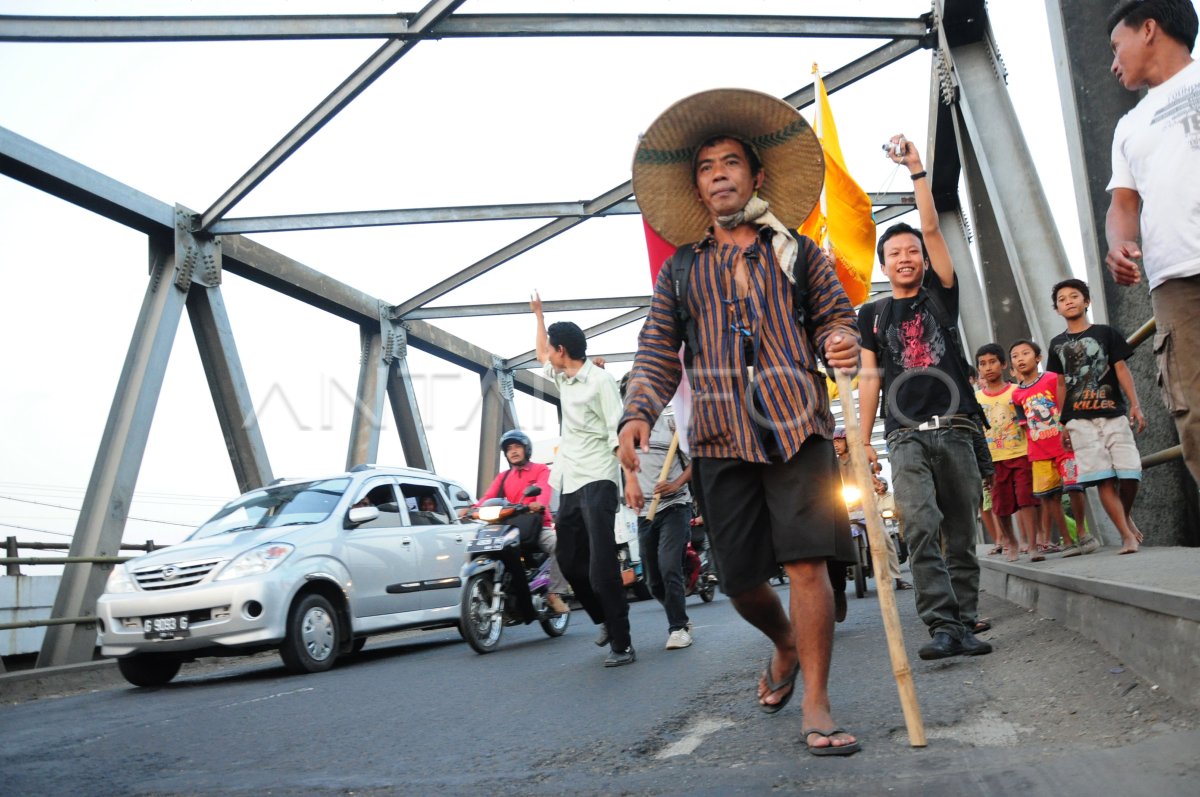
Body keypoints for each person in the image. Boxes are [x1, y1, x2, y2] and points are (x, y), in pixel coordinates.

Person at [620, 88, 861, 756]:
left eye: (731, 161)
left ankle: (816, 700)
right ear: (698, 187)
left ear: (756, 177)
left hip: (797, 427)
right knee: (739, 579)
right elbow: (656, 348)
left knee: (808, 564)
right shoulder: (681, 271)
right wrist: (638, 410)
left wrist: (841, 338)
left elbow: (837, 317)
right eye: (707, 166)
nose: (720, 172)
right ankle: (784, 641)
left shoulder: (800, 253)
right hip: (720, 436)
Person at [856, 134, 993, 662]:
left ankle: (964, 621)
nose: (907, 257)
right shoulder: (870, 316)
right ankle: (939, 624)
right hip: (905, 435)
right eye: (896, 254)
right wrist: (865, 439)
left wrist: (916, 170)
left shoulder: (941, 294)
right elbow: (870, 377)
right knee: (919, 525)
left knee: (960, 528)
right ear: (884, 265)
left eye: (912, 251)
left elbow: (932, 226)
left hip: (956, 425)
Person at [1105, 0, 1200, 487]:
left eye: (1116, 46)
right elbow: (1122, 206)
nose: (1113, 62)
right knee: (1195, 420)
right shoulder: (1128, 127)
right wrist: (1119, 243)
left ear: (1147, 29)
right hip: (1174, 282)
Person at [531, 305, 632, 667]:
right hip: (570, 480)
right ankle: (603, 620)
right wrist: (539, 317)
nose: (547, 355)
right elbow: (540, 351)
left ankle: (622, 644)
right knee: (571, 563)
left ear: (564, 351)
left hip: (600, 479)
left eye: (552, 349)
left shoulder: (601, 382)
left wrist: (629, 479)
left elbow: (616, 433)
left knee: (601, 566)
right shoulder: (562, 376)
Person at [1046, 278, 1144, 554]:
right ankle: (1126, 535)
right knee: (1102, 477)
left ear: (1086, 301)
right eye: (1062, 299)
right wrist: (1062, 422)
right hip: (1078, 419)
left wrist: (1135, 404)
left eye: (1074, 296)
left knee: (1129, 473)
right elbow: (1062, 384)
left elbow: (1121, 369)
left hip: (1113, 411)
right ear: (1057, 309)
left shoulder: (1106, 333)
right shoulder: (1056, 344)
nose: (1068, 301)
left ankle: (1124, 516)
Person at [618, 373, 694, 650]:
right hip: (644, 513)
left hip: (675, 506)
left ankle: (678, 628)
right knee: (652, 581)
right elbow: (624, 465)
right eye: (630, 393)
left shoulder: (673, 425)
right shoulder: (624, 430)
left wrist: (676, 483)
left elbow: (694, 463)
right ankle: (680, 616)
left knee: (668, 565)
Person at [467, 429, 570, 614]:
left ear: (526, 450)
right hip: (508, 526)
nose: (513, 451)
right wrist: (473, 509)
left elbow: (544, 490)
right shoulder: (504, 476)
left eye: (517, 447)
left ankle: (555, 593)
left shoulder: (541, 469)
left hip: (536, 526)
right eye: (509, 449)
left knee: (560, 544)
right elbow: (488, 496)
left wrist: (538, 504)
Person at [1009, 340, 1086, 559]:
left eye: (1025, 353)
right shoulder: (1017, 395)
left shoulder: (1052, 379)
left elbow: (1066, 406)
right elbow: (1024, 426)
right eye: (1015, 356)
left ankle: (1082, 531)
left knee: (1074, 486)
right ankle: (1068, 541)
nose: (1020, 358)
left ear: (1038, 358)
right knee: (1049, 496)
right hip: (1039, 453)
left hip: (1064, 447)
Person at [975, 343, 1039, 563]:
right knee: (1000, 505)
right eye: (983, 364)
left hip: (1021, 454)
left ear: (1003, 364)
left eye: (993, 362)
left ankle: (1032, 545)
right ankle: (1010, 542)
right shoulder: (976, 400)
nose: (988, 367)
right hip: (993, 460)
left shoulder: (1016, 392)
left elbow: (1028, 422)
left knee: (1026, 499)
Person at [833, 427, 910, 591]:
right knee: (830, 540)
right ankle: (836, 584)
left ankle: (897, 578)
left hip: (865, 506)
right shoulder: (832, 463)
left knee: (885, 539)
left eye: (839, 441)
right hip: (843, 508)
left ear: (847, 442)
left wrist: (875, 484)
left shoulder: (859, 458)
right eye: (834, 442)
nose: (836, 445)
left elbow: (871, 476)